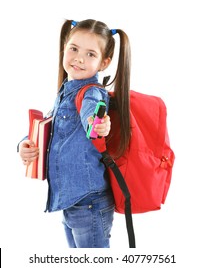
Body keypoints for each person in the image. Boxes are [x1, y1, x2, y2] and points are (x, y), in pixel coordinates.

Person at [18, 19, 131, 248]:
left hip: (89, 203)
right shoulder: (66, 92)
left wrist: (98, 126)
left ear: (104, 63)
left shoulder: (91, 95)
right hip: (73, 202)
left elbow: (93, 122)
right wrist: (24, 144)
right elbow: (54, 130)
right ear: (64, 48)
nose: (79, 58)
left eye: (91, 54)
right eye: (74, 49)